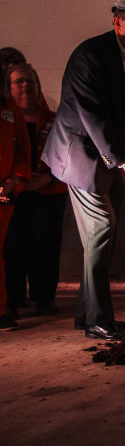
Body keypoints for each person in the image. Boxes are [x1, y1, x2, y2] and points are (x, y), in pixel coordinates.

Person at [41, 0, 125, 340]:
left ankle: (86, 314)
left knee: (100, 235)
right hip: (80, 156)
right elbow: (93, 116)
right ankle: (98, 321)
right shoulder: (90, 56)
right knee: (102, 228)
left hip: (110, 156)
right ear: (117, 20)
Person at [3, 64, 67, 319]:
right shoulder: (4, 119)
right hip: (14, 192)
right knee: (13, 247)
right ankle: (13, 298)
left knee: (46, 246)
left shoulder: (54, 120)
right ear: (8, 88)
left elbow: (66, 152)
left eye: (30, 81)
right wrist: (17, 180)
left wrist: (48, 177)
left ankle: (44, 298)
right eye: (19, 82)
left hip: (49, 191)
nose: (25, 86)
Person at [0, 92, 31, 331]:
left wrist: (14, 180)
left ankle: (1, 310)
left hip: (5, 191)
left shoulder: (10, 109)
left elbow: (23, 150)